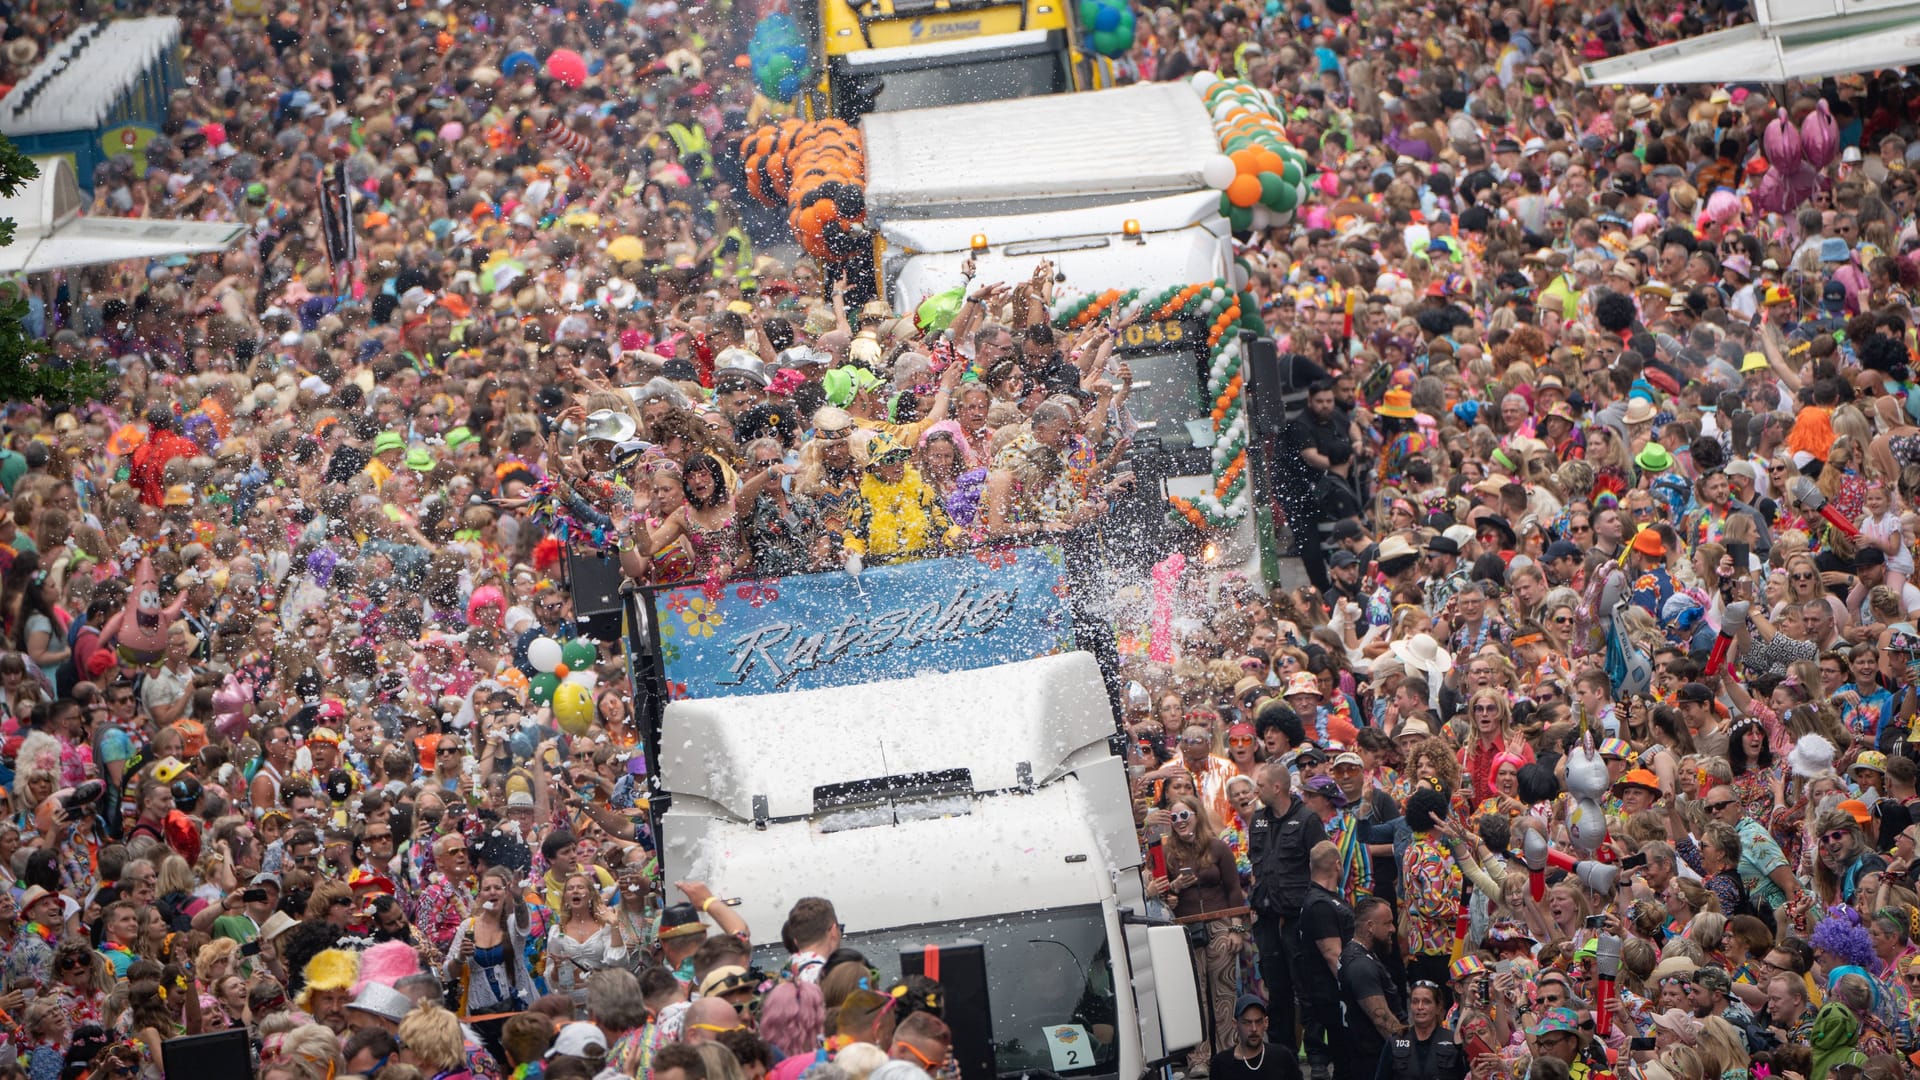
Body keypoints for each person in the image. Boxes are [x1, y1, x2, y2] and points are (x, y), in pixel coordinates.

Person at [1336, 897, 1404, 1080]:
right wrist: (1408, 1047)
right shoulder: (1361, 966)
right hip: (1371, 1062)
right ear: (1370, 927)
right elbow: (1381, 1018)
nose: (1393, 929)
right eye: (1388, 923)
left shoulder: (1358, 954)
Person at [1211, 995, 1301, 1080]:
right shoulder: (1221, 1063)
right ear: (1235, 1024)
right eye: (1246, 1022)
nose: (1254, 1029)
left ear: (1266, 1022)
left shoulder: (1282, 1056)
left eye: (1258, 1022)